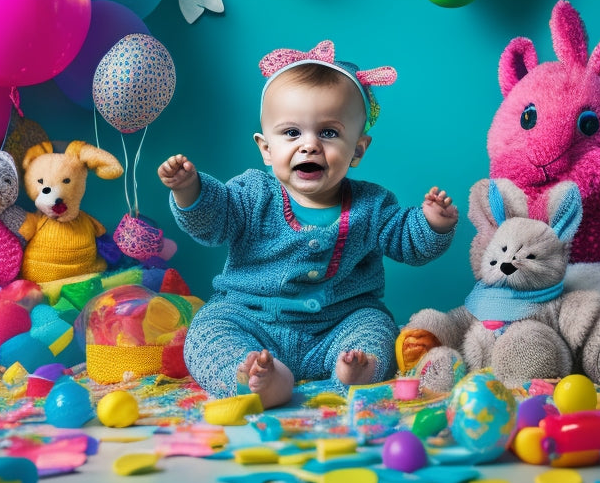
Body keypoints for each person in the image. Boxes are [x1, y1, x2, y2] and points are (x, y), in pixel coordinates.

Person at [158, 40, 458, 408]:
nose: (309, 145)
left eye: (329, 133)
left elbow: (404, 239)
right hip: (251, 320)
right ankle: (254, 375)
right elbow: (214, 221)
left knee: (377, 327)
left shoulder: (372, 204)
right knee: (205, 333)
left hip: (337, 326)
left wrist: (432, 224)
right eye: (291, 133)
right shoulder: (252, 193)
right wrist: (191, 191)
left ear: (358, 150)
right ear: (266, 148)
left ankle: (355, 370)